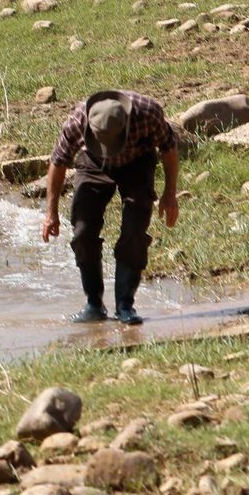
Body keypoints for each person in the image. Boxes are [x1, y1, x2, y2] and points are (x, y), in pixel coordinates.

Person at [40, 90, 180, 325]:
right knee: (83, 231)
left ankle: (125, 304)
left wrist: (170, 194)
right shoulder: (78, 120)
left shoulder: (148, 113)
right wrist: (51, 213)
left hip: (137, 162)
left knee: (134, 231)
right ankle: (94, 304)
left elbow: (168, 148)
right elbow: (58, 162)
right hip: (93, 164)